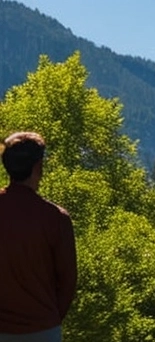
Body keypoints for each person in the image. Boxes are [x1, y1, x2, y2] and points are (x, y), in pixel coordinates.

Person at [0, 132, 77, 342]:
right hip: (43, 329)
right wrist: (51, 319)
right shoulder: (56, 219)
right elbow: (68, 280)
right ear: (38, 167)